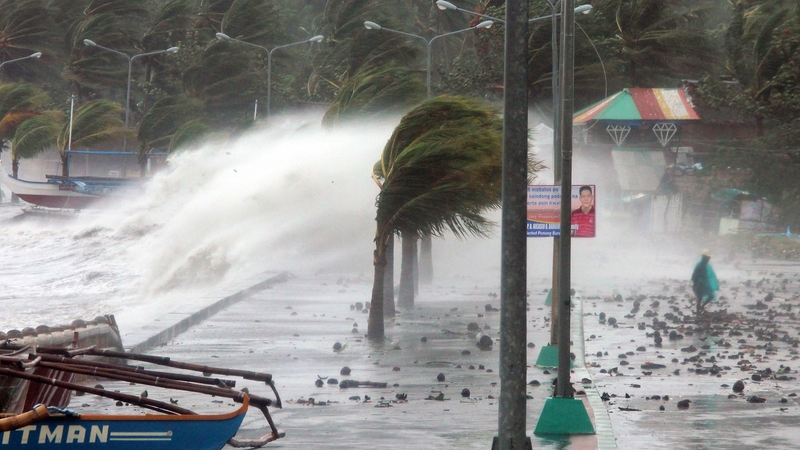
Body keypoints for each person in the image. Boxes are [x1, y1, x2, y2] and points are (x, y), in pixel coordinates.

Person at [691, 249, 719, 315]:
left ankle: (702, 307)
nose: (708, 259)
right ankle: (698, 313)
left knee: (711, 295)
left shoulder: (705, 265)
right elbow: (694, 276)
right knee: (699, 299)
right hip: (699, 285)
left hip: (704, 284)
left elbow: (708, 275)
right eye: (707, 258)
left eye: (709, 258)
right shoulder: (700, 265)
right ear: (704, 257)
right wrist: (696, 285)